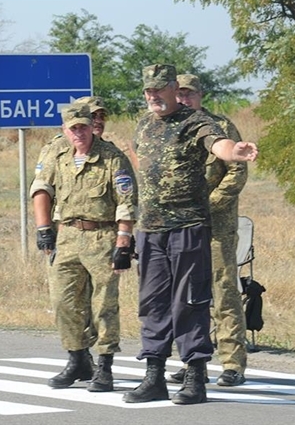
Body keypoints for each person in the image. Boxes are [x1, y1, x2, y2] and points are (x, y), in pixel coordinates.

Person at [122, 64, 258, 405]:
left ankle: (196, 376)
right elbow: (140, 158)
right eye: (147, 91)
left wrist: (234, 151)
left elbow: (218, 144)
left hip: (188, 225)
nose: (153, 96)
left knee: (191, 301)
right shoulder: (144, 124)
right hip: (151, 227)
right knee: (153, 302)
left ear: (173, 88)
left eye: (159, 89)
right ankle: (154, 376)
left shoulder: (194, 121)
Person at [30, 103, 138, 393]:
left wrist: (124, 241)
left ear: (92, 127)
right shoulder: (60, 156)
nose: (78, 133)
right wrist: (44, 232)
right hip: (66, 236)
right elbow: (42, 188)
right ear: (65, 131)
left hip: (102, 236)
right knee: (63, 301)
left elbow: (126, 201)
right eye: (72, 128)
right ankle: (78, 358)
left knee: (103, 304)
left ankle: (104, 366)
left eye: (83, 127)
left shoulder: (113, 158)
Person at [167, 73, 249, 387]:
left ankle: (232, 364)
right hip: (182, 227)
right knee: (186, 295)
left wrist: (207, 205)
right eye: (179, 95)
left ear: (200, 95)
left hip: (216, 226)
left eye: (189, 94)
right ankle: (192, 359)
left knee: (224, 291)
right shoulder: (173, 131)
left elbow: (237, 173)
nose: (184, 100)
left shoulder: (222, 127)